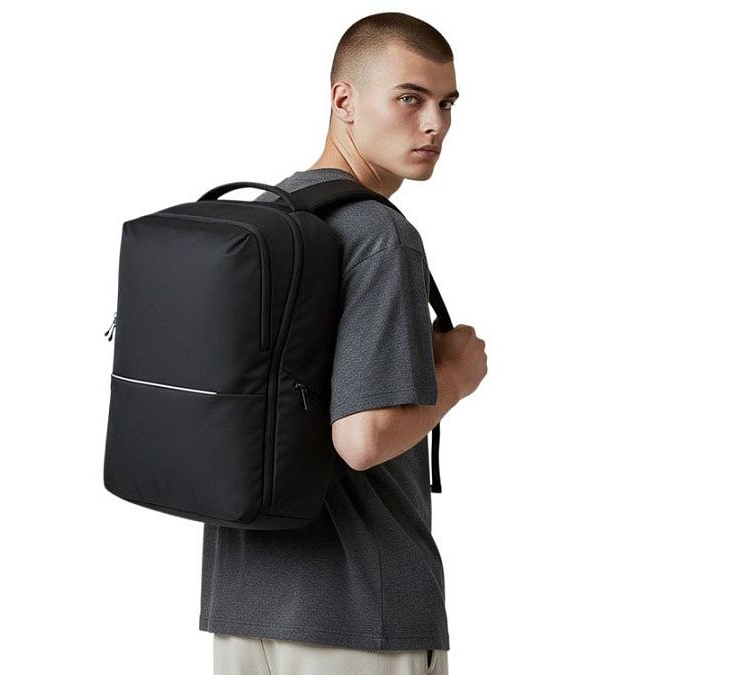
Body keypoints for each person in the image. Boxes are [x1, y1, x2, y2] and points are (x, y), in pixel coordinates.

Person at [200, 12, 488, 675]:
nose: (435, 124)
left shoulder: (267, 220)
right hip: (361, 616)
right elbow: (362, 439)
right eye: (410, 98)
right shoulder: (378, 234)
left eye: (447, 103)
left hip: (241, 606)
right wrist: (455, 374)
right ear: (344, 100)